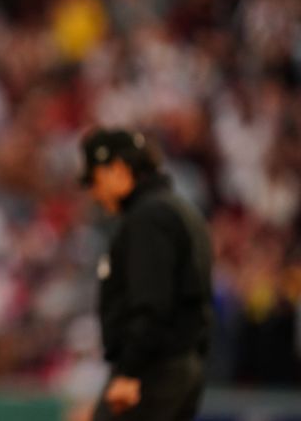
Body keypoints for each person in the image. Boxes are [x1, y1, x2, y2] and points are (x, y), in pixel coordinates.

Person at [78, 127, 213, 421]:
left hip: (153, 368)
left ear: (118, 169)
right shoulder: (177, 208)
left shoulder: (148, 217)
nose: (94, 192)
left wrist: (129, 371)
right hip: (179, 362)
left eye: (96, 179)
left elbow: (152, 303)